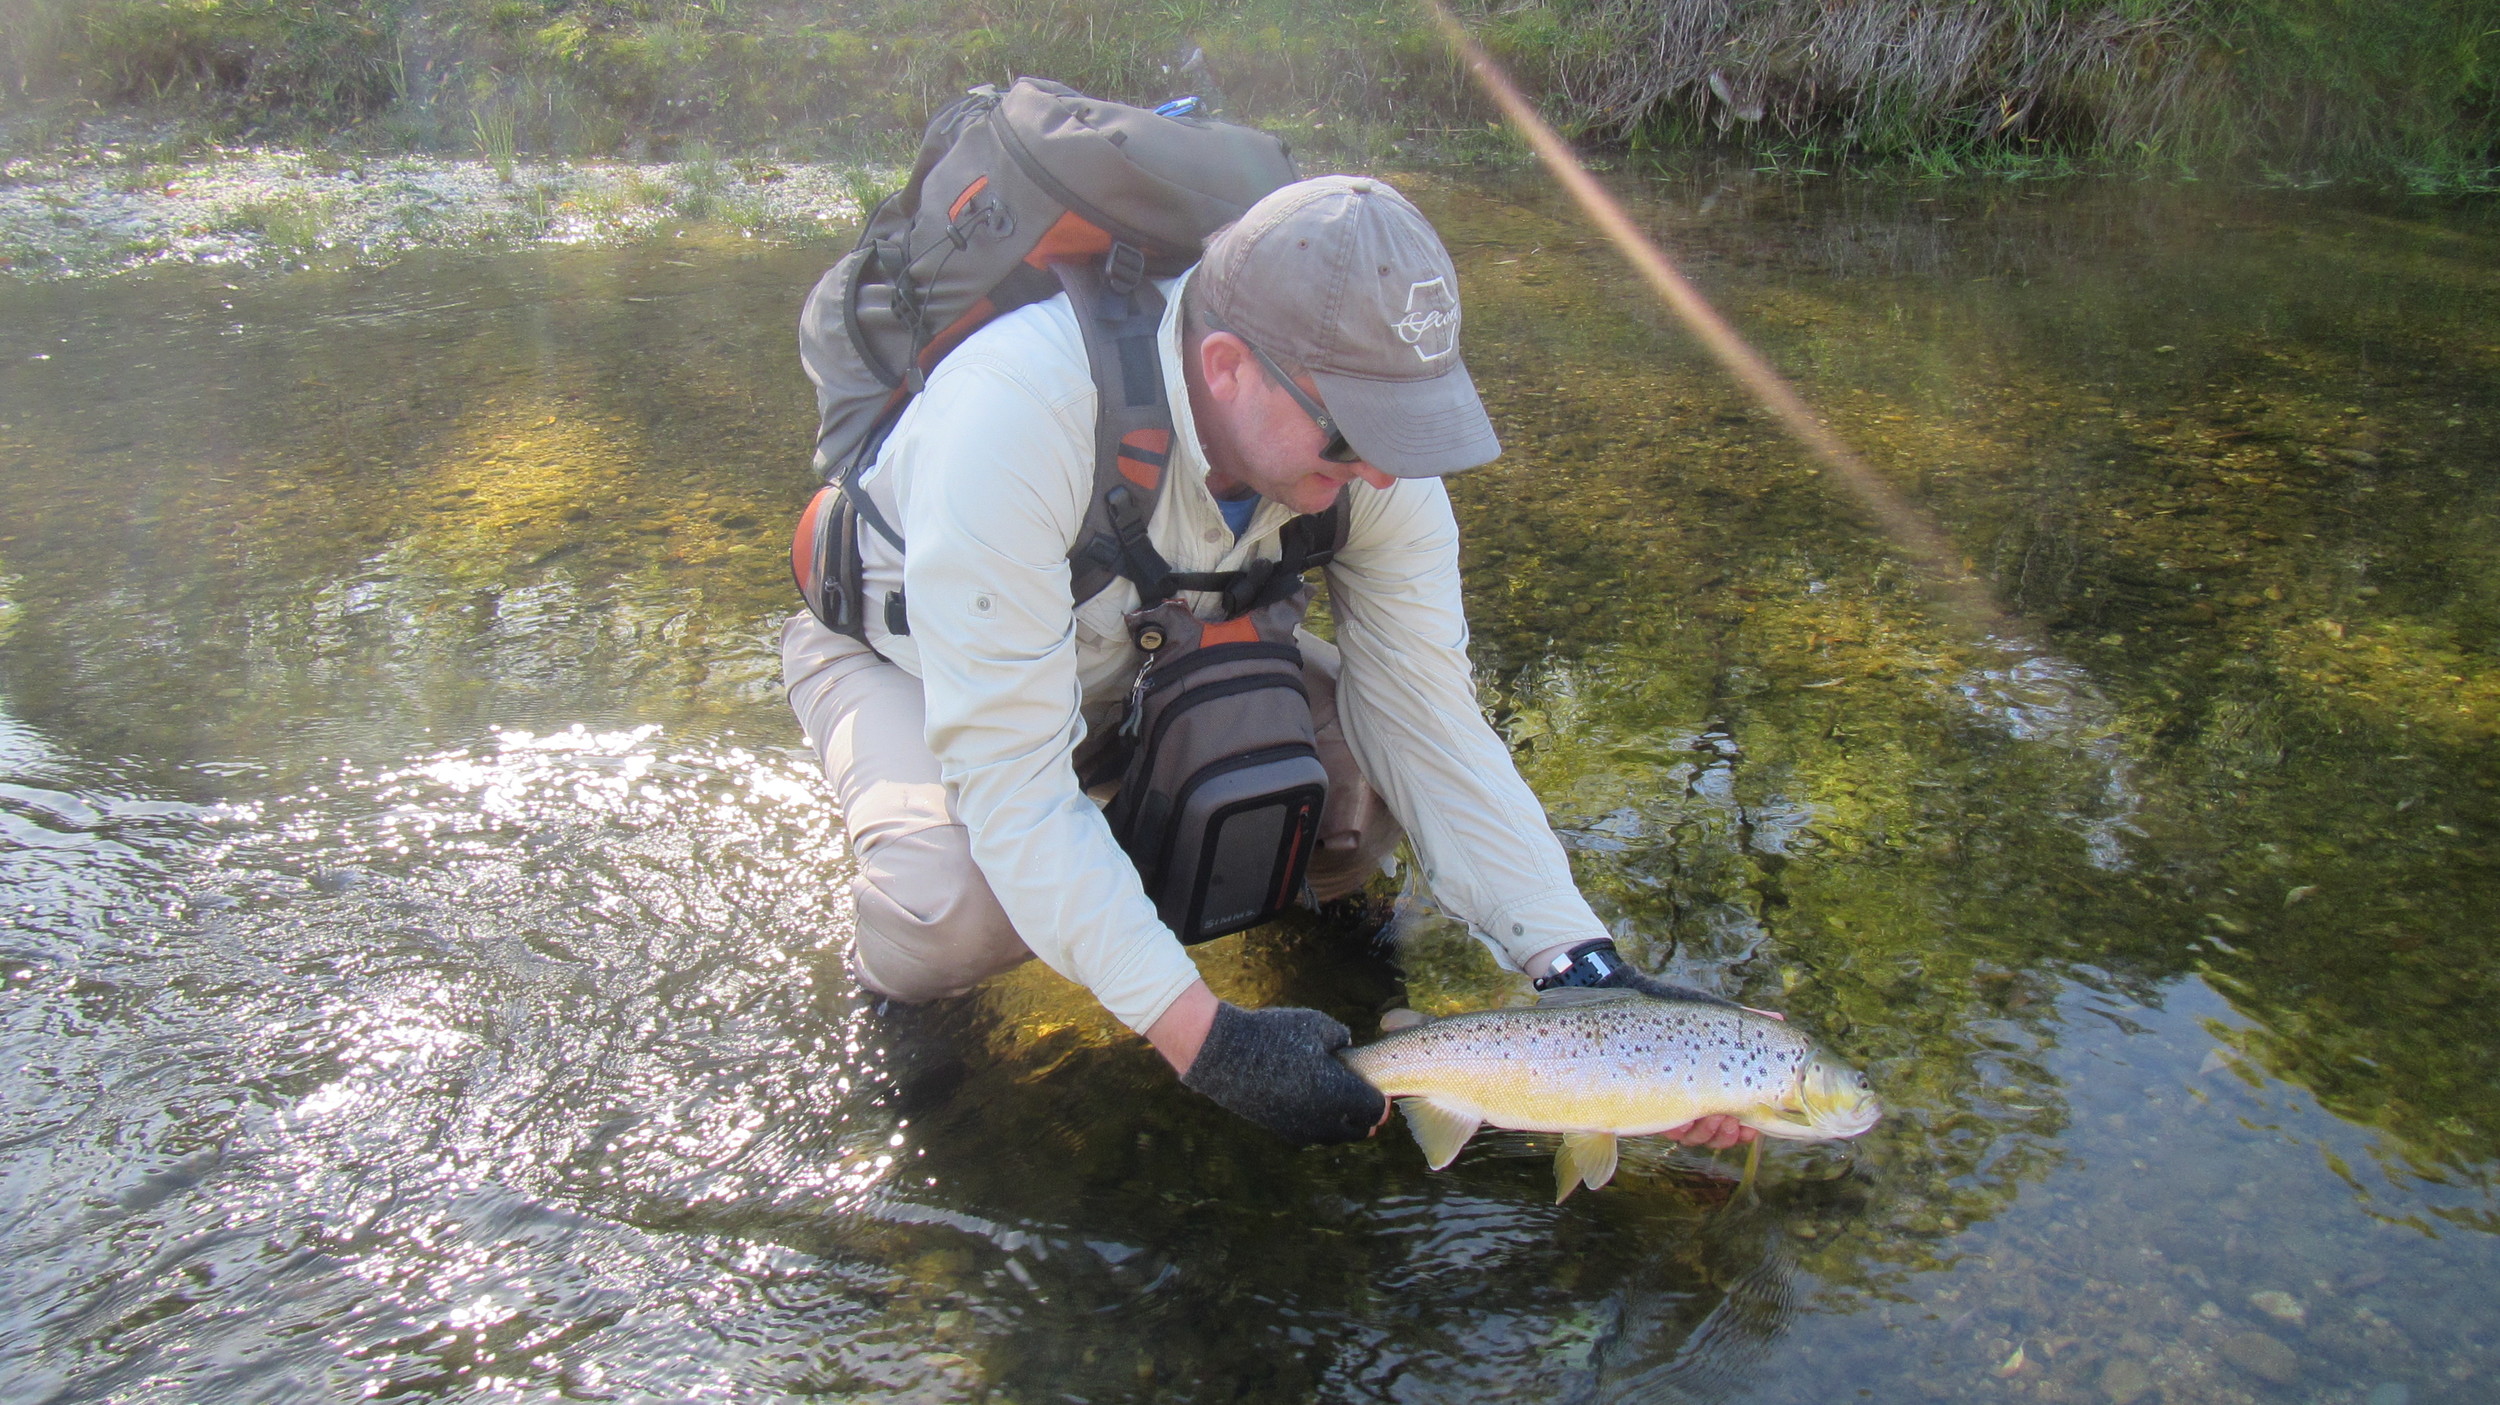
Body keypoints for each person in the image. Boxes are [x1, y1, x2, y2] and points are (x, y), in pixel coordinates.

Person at [782, 175, 1758, 1150]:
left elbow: (1426, 716)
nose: (1382, 470)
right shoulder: (1015, 411)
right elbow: (1015, 787)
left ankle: (1308, 920)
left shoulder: (1371, 457)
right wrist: (1209, 1041)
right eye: (1356, 433)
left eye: (1406, 428)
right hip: (910, 667)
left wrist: (1580, 967)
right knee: (960, 905)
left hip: (1152, 668)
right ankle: (902, 1021)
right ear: (1226, 366)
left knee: (1360, 790)